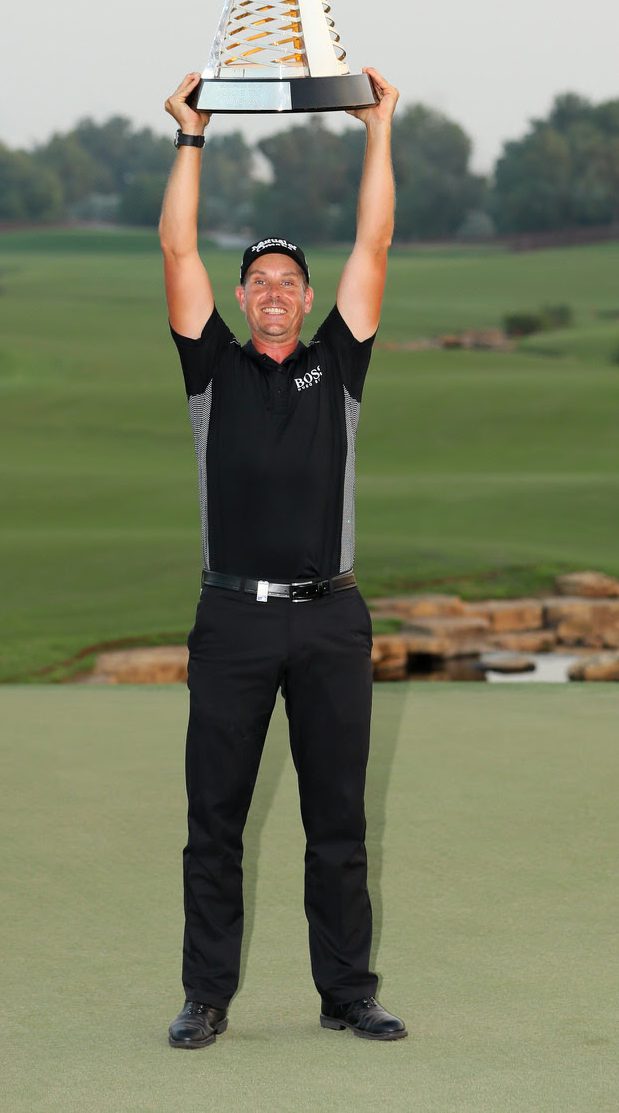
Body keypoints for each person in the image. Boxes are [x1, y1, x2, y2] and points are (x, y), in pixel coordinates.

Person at [159, 67, 406, 1049]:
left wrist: (378, 132)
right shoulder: (210, 369)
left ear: (305, 298)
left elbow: (373, 244)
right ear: (241, 295)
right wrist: (191, 137)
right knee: (214, 820)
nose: (272, 292)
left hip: (331, 619)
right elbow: (177, 245)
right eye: (257, 279)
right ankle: (205, 996)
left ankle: (347, 994)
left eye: (287, 281)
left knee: (337, 821)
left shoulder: (336, 365)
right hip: (232, 620)